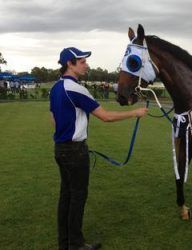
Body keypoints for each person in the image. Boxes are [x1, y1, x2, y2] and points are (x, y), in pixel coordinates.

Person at [50, 47, 148, 250]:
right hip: (74, 152)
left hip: (61, 149)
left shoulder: (56, 88)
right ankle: (76, 245)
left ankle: (65, 243)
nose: (86, 65)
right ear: (70, 63)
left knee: (66, 196)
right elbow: (105, 116)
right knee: (77, 197)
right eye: (82, 61)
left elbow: (53, 119)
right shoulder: (76, 88)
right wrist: (134, 113)